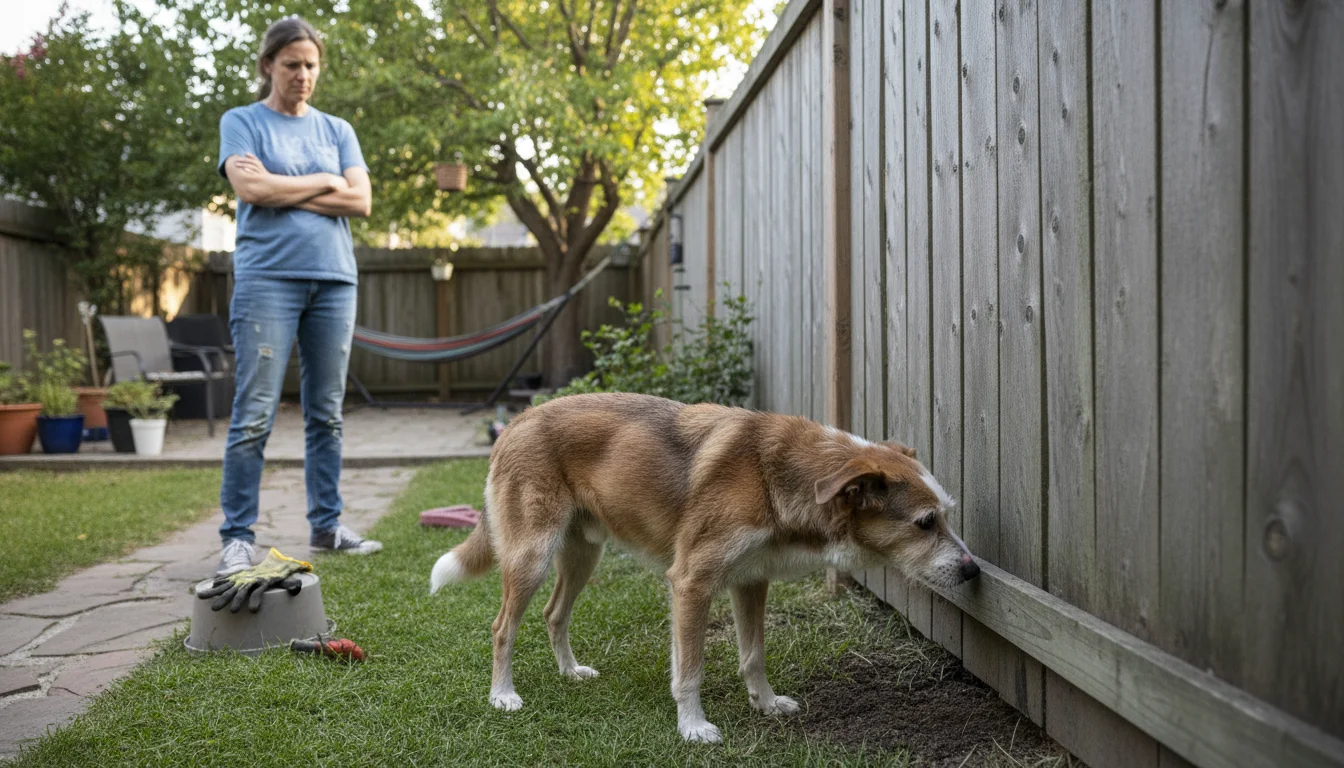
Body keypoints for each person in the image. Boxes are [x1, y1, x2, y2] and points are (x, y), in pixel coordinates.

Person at [214, 16, 380, 576]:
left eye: (311, 65)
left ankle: (327, 526)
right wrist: (327, 182)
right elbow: (250, 187)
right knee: (254, 413)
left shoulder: (338, 129)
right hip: (267, 281)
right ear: (268, 66)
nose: (303, 75)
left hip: (334, 281)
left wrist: (290, 191)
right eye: (291, 64)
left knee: (326, 414)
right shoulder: (242, 121)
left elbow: (361, 203)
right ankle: (238, 535)